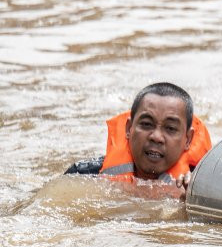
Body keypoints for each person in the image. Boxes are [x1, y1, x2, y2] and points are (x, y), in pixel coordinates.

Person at [65, 82, 212, 194]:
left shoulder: (202, 186)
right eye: (147, 124)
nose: (156, 137)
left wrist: (193, 206)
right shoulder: (83, 175)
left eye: (170, 128)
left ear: (188, 139)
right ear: (128, 128)